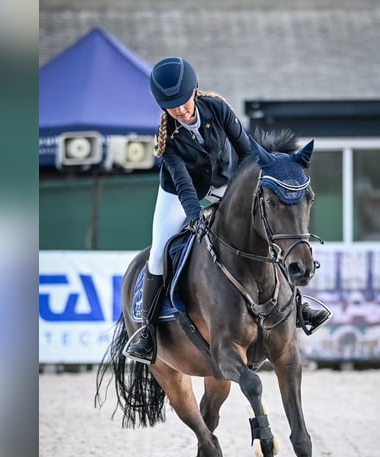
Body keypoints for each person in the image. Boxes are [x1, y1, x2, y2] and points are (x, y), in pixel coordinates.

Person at [125, 57, 330, 363]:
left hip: (225, 182)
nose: (180, 110)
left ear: (194, 91)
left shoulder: (217, 108)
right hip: (181, 193)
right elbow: (183, 186)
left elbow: (246, 151)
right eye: (172, 106)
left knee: (264, 232)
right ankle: (147, 333)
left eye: (183, 102)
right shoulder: (168, 141)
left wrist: (256, 184)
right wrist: (195, 217)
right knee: (158, 253)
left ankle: (299, 307)